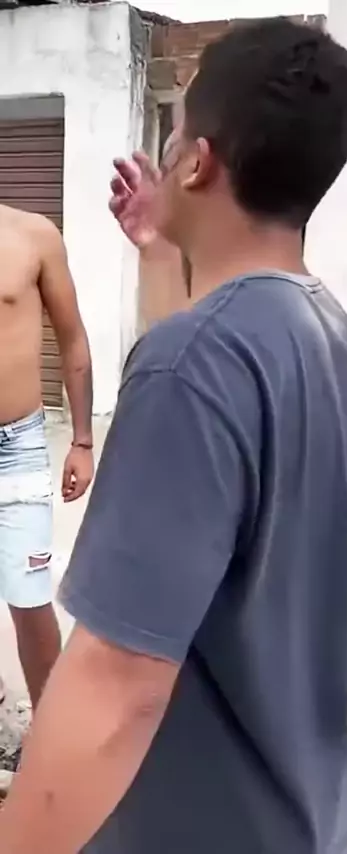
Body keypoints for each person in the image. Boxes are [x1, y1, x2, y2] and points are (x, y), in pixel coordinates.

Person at [0, 17, 347, 854]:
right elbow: (206, 385)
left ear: (198, 162)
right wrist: (159, 252)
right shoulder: (322, 327)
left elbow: (116, 686)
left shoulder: (194, 362)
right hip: (302, 803)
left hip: (202, 820)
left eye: (171, 142)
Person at [0, 203, 94, 712]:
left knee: (30, 600)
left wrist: (82, 441)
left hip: (17, 448)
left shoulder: (33, 235)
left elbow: (72, 337)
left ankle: (50, 730)